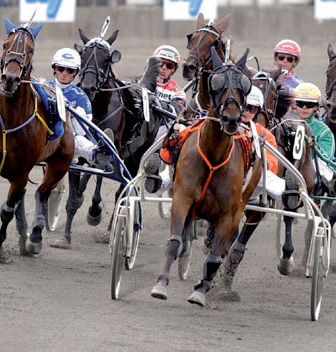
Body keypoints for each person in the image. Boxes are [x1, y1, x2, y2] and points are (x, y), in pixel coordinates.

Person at [47, 47, 111, 167]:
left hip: (67, 141)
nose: (65, 74)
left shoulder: (81, 97)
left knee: (78, 137)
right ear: (55, 69)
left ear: (76, 72)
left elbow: (81, 131)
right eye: (61, 69)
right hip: (44, 137)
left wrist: (69, 113)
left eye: (70, 70)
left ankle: (97, 153)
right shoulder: (43, 87)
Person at [144, 45, 186, 194]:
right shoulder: (139, 83)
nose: (163, 68)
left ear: (174, 69)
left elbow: (175, 111)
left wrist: (156, 103)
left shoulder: (177, 92)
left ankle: (157, 167)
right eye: (160, 63)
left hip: (161, 133)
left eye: (169, 65)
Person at [293, 82, 335, 189]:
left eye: (310, 104)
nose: (304, 107)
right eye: (300, 103)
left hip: (315, 166)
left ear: (316, 107)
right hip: (289, 164)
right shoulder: (284, 124)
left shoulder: (324, 131)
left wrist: (312, 146)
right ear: (294, 105)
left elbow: (325, 157)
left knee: (322, 169)